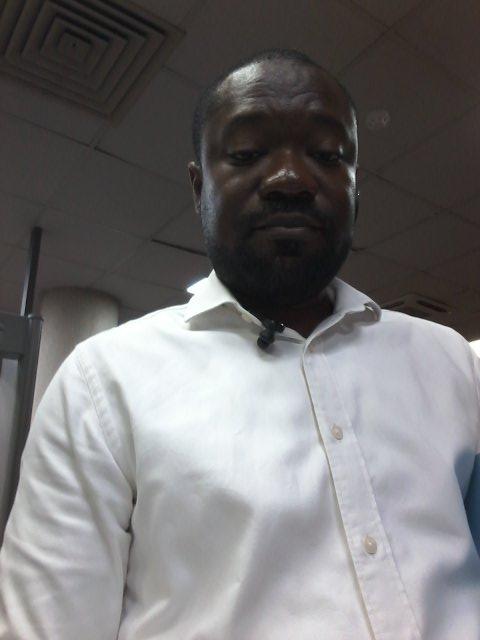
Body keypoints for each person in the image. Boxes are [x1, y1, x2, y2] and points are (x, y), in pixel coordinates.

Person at [0, 47, 479, 639]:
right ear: (198, 185)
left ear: (356, 186)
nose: (291, 179)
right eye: (249, 153)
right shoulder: (104, 382)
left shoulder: (451, 363)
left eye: (328, 155)